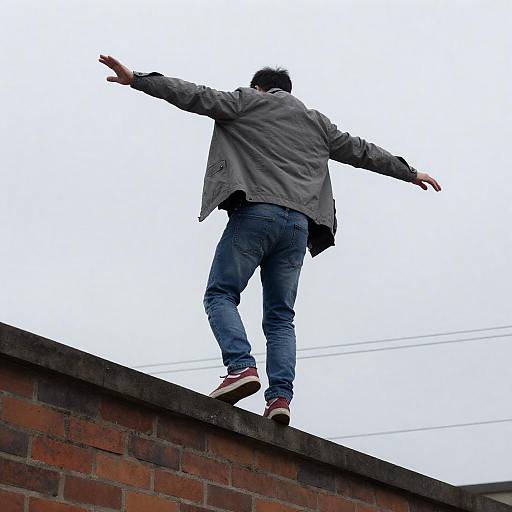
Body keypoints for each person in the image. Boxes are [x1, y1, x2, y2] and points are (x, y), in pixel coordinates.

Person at [99, 54, 441, 426]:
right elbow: (362, 151)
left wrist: (137, 79)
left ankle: (241, 367)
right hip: (298, 227)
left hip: (256, 214)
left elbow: (193, 95)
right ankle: (280, 398)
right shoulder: (318, 123)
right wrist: (409, 172)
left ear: (260, 87)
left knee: (220, 293)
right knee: (281, 318)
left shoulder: (248, 101)